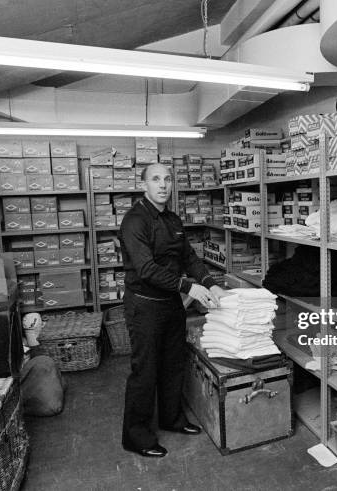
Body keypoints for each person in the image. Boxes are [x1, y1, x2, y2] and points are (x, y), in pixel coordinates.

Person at [118, 162, 227, 458]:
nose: (163, 184)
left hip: (171, 304)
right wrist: (189, 287)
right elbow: (145, 269)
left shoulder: (173, 219)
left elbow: (189, 257)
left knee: (173, 363)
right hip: (145, 306)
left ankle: (172, 419)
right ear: (144, 185)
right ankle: (137, 436)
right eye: (156, 179)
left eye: (167, 179)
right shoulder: (134, 221)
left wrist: (209, 282)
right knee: (146, 370)